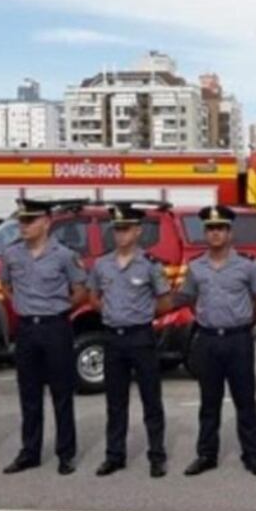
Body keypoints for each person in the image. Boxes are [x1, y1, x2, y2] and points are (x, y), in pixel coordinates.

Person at [174, 205, 256, 477]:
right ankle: (206, 455)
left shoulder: (246, 266)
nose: (215, 234)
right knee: (209, 402)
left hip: (238, 341)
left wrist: (246, 323)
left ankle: (252, 456)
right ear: (206, 233)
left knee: (245, 401)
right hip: (207, 341)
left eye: (220, 228)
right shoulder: (195, 267)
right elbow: (188, 298)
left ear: (229, 233)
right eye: (211, 229)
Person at [0, 199, 87, 476]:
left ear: (46, 222)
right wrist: (23, 306)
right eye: (21, 221)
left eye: (30, 221)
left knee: (61, 394)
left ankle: (66, 453)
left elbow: (80, 291)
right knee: (29, 395)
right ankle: (30, 452)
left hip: (55, 328)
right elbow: (5, 285)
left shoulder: (64, 255)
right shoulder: (12, 255)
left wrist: (57, 309)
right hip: (27, 329)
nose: (23, 226)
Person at [88, 205, 172, 479]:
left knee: (151, 400)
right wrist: (114, 314)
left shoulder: (149, 264)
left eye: (126, 229)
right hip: (113, 338)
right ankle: (115, 456)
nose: (120, 234)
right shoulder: (102, 264)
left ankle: (156, 456)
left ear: (138, 231)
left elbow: (165, 301)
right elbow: (93, 298)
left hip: (141, 336)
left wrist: (141, 316)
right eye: (117, 229)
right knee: (115, 401)